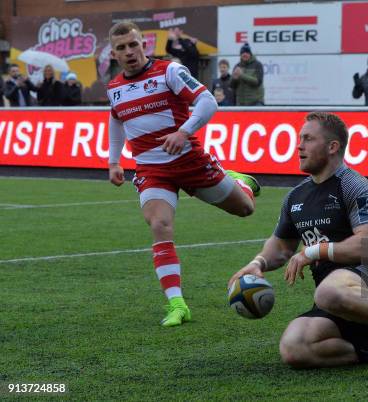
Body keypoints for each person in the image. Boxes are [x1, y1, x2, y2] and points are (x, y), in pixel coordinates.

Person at [228, 112, 368, 374]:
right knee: (294, 349)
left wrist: (314, 251)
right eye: (299, 138)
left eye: (307, 139)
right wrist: (257, 263)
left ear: (332, 146)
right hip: (331, 300)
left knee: (329, 291)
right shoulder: (295, 196)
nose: (299, 146)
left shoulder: (356, 187)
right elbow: (281, 247)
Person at [107, 21, 261, 327]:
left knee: (245, 209)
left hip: (190, 161)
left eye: (133, 45)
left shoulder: (169, 72)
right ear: (114, 54)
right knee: (160, 224)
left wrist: (184, 131)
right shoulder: (114, 88)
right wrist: (114, 161)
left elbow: (208, 101)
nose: (129, 52)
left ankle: (238, 181)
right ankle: (177, 305)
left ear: (144, 46)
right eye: (121, 48)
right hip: (151, 170)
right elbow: (116, 120)